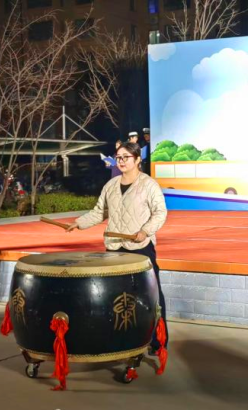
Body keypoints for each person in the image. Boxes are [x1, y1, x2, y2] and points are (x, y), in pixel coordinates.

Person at [67, 142, 169, 353]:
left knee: (151, 294)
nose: (121, 161)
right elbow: (99, 211)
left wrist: (145, 230)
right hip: (115, 248)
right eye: (118, 157)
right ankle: (122, 338)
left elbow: (160, 213)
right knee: (117, 296)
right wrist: (79, 223)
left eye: (126, 157)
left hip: (140, 247)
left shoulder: (149, 185)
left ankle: (158, 341)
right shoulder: (111, 185)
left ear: (137, 160)